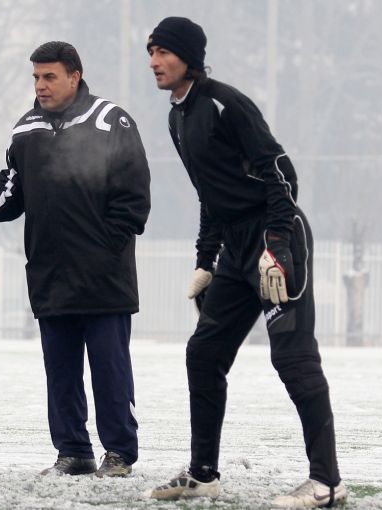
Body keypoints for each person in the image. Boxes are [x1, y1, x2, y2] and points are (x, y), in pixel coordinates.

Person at [145, 17, 347, 508]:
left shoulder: (225, 103)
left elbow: (282, 175)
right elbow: (211, 194)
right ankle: (203, 475)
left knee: (293, 360)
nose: (154, 61)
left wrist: (275, 247)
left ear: (190, 58)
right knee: (203, 354)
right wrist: (205, 260)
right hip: (235, 250)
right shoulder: (176, 117)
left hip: (276, 237)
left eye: (164, 52)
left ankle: (327, 483)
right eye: (150, 52)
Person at [0, 41, 150, 478]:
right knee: (60, 371)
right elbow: (13, 185)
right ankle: (73, 451)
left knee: (109, 369)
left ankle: (119, 453)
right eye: (36, 77)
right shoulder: (26, 129)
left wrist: (108, 246)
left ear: (74, 76)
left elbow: (134, 194)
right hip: (49, 272)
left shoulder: (111, 121)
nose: (40, 86)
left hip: (104, 275)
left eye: (49, 77)